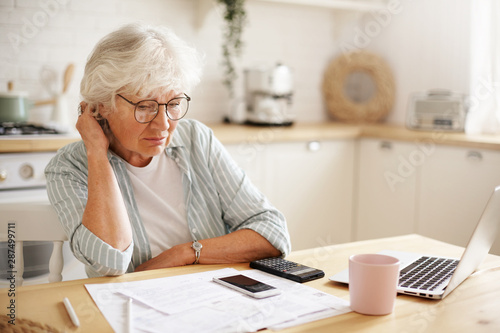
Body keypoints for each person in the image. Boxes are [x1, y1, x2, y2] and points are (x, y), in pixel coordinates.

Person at [45, 23, 291, 278]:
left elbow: (272, 233)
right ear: (102, 105)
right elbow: (110, 261)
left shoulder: (196, 139)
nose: (164, 124)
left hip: (212, 297)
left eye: (173, 103)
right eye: (145, 106)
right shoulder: (69, 167)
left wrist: (184, 254)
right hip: (129, 310)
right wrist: (96, 152)